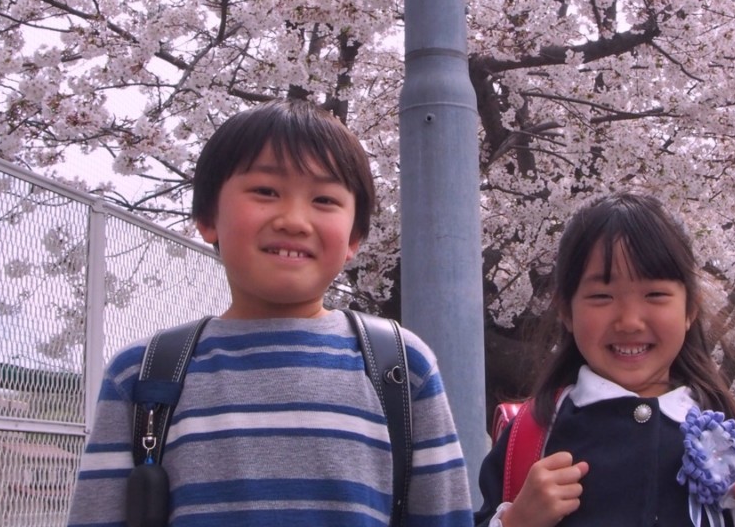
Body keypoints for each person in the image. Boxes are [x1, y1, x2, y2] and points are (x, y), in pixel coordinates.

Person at [66, 99, 472, 526]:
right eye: (265, 191)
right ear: (207, 218)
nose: (294, 220)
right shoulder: (143, 374)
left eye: (324, 199)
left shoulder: (401, 368)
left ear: (354, 238)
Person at [474, 192, 735, 527]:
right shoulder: (536, 430)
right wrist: (517, 520)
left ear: (690, 309)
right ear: (566, 311)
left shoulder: (729, 435)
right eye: (601, 296)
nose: (630, 322)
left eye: (655, 294)